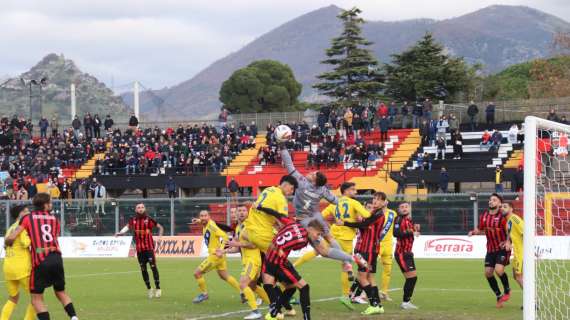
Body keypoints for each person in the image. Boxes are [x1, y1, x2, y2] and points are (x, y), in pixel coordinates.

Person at [280, 147, 363, 271]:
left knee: (322, 250)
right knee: (330, 238)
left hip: (305, 220)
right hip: (317, 217)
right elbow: (335, 201)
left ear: (314, 181)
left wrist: (283, 148)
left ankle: (349, 259)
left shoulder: (301, 182)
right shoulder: (322, 190)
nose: (311, 172)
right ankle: (346, 262)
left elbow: (289, 165)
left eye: (313, 174)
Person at [296, 182, 371, 309]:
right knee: (345, 264)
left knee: (318, 251)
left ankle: (294, 265)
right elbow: (367, 215)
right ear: (346, 191)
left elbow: (321, 216)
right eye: (353, 189)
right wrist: (360, 217)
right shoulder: (354, 203)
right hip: (346, 238)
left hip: (333, 236)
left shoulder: (333, 204)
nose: (355, 192)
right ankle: (345, 296)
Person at [4, 193, 78, 320]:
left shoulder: (28, 218)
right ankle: (74, 317)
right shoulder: (55, 219)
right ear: (45, 204)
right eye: (50, 202)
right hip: (56, 257)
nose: (51, 204)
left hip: (40, 260)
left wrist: (8, 243)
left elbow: (12, 237)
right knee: (60, 291)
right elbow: (53, 235)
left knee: (36, 298)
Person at [262, 218, 325, 320]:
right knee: (304, 287)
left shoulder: (293, 225)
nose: (318, 237)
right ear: (310, 229)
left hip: (270, 259)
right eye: (318, 234)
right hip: (279, 263)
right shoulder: (301, 239)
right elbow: (281, 246)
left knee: (291, 288)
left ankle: (274, 311)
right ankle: (306, 318)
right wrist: (281, 253)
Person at [338, 192, 388, 315]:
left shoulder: (378, 214)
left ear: (383, 202)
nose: (375, 201)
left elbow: (365, 225)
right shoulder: (373, 213)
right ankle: (378, 305)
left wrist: (345, 223)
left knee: (361, 276)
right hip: (368, 249)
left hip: (368, 250)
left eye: (378, 199)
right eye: (374, 198)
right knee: (370, 277)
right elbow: (364, 227)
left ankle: (373, 304)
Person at [226, 205, 270, 320]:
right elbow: (236, 248)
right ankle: (273, 306)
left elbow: (254, 244)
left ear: (248, 212)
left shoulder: (250, 226)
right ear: (236, 213)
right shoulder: (238, 227)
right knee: (253, 286)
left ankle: (256, 312)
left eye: (244, 210)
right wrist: (223, 251)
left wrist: (237, 244)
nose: (241, 213)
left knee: (243, 284)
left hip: (253, 260)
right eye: (239, 211)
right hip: (247, 261)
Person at [468, 194, 511, 308]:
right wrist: (473, 232)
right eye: (490, 200)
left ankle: (507, 290)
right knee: (488, 273)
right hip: (490, 249)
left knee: (498, 270)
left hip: (502, 249)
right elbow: (479, 229)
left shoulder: (503, 217)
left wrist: (508, 242)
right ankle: (498, 296)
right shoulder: (484, 216)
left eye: (494, 200)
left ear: (499, 203)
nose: (491, 201)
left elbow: (510, 232)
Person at [115, 203, 164, 299]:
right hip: (139, 250)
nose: (140, 209)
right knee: (143, 269)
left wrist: (159, 236)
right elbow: (127, 227)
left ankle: (158, 288)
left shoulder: (148, 219)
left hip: (149, 248)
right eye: (138, 208)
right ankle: (149, 289)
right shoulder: (133, 220)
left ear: (144, 209)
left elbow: (160, 227)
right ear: (136, 210)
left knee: (153, 267)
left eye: (142, 207)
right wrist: (120, 233)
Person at [1, 205, 36, 320]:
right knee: (36, 297)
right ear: (20, 214)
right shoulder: (22, 227)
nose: (28, 213)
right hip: (21, 268)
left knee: (13, 297)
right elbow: (26, 243)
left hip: (8, 268)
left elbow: (6, 246)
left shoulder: (10, 228)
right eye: (26, 211)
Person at [393, 202, 420, 310]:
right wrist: (411, 232)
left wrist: (415, 230)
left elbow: (410, 232)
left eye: (406, 207)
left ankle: (406, 302)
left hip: (408, 253)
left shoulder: (409, 220)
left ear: (409, 208)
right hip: (401, 253)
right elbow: (396, 233)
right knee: (411, 278)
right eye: (402, 207)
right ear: (399, 210)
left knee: (413, 278)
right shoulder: (398, 219)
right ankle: (405, 302)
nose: (404, 209)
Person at [502, 202, 524, 292]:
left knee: (519, 276)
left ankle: (533, 301)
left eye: (505, 206)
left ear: (511, 209)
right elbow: (512, 236)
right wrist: (507, 242)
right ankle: (530, 300)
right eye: (501, 207)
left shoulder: (514, 218)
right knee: (516, 275)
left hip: (522, 253)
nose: (502, 208)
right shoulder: (508, 222)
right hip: (517, 252)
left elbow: (525, 232)